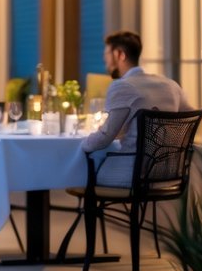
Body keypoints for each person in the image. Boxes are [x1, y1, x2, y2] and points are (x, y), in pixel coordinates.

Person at [81, 30, 194, 186]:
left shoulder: (122, 87)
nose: (105, 61)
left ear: (120, 54)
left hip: (131, 173)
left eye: (107, 54)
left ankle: (90, 211)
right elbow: (190, 115)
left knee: (86, 171)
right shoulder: (170, 85)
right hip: (166, 172)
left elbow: (105, 137)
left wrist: (81, 144)